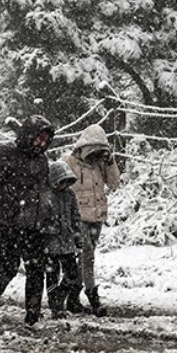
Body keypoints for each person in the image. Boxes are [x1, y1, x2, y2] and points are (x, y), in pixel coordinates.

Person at [0, 115, 55, 329]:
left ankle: (33, 317)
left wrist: (47, 212)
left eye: (45, 141)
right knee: (9, 266)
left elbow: (44, 188)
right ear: (29, 135)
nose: (41, 144)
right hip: (8, 222)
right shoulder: (6, 153)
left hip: (34, 222)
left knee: (36, 268)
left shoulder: (42, 160)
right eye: (38, 139)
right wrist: (12, 205)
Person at [62, 124, 119, 316]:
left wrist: (110, 162)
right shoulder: (68, 162)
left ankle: (71, 298)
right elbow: (57, 183)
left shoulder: (100, 165)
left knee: (85, 259)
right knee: (87, 256)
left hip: (97, 217)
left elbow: (114, 183)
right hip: (78, 218)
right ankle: (93, 297)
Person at [42, 161, 82, 320]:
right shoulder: (46, 195)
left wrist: (78, 235)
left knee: (72, 272)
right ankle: (55, 307)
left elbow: (75, 216)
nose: (64, 185)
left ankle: (60, 294)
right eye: (61, 181)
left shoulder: (70, 195)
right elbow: (41, 219)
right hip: (50, 242)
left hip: (67, 241)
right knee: (52, 275)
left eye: (67, 181)